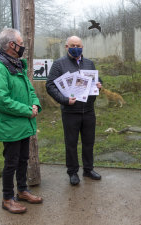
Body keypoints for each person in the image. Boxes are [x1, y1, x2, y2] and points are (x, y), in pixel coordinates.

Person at [0, 28, 43, 214]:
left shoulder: (15, 64)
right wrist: (27, 111)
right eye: (21, 42)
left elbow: (29, 89)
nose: (23, 45)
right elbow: (0, 100)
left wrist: (34, 104)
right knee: (11, 162)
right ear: (12, 45)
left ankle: (23, 190)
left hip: (23, 123)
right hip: (10, 125)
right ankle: (7, 198)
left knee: (23, 159)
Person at [46, 36, 102, 185]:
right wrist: (64, 100)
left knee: (89, 142)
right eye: (72, 45)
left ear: (82, 47)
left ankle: (88, 169)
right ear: (66, 47)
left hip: (88, 110)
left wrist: (99, 84)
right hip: (70, 112)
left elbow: (98, 80)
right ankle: (72, 172)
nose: (76, 47)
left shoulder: (89, 63)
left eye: (78, 45)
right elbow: (50, 85)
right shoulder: (59, 64)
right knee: (71, 143)